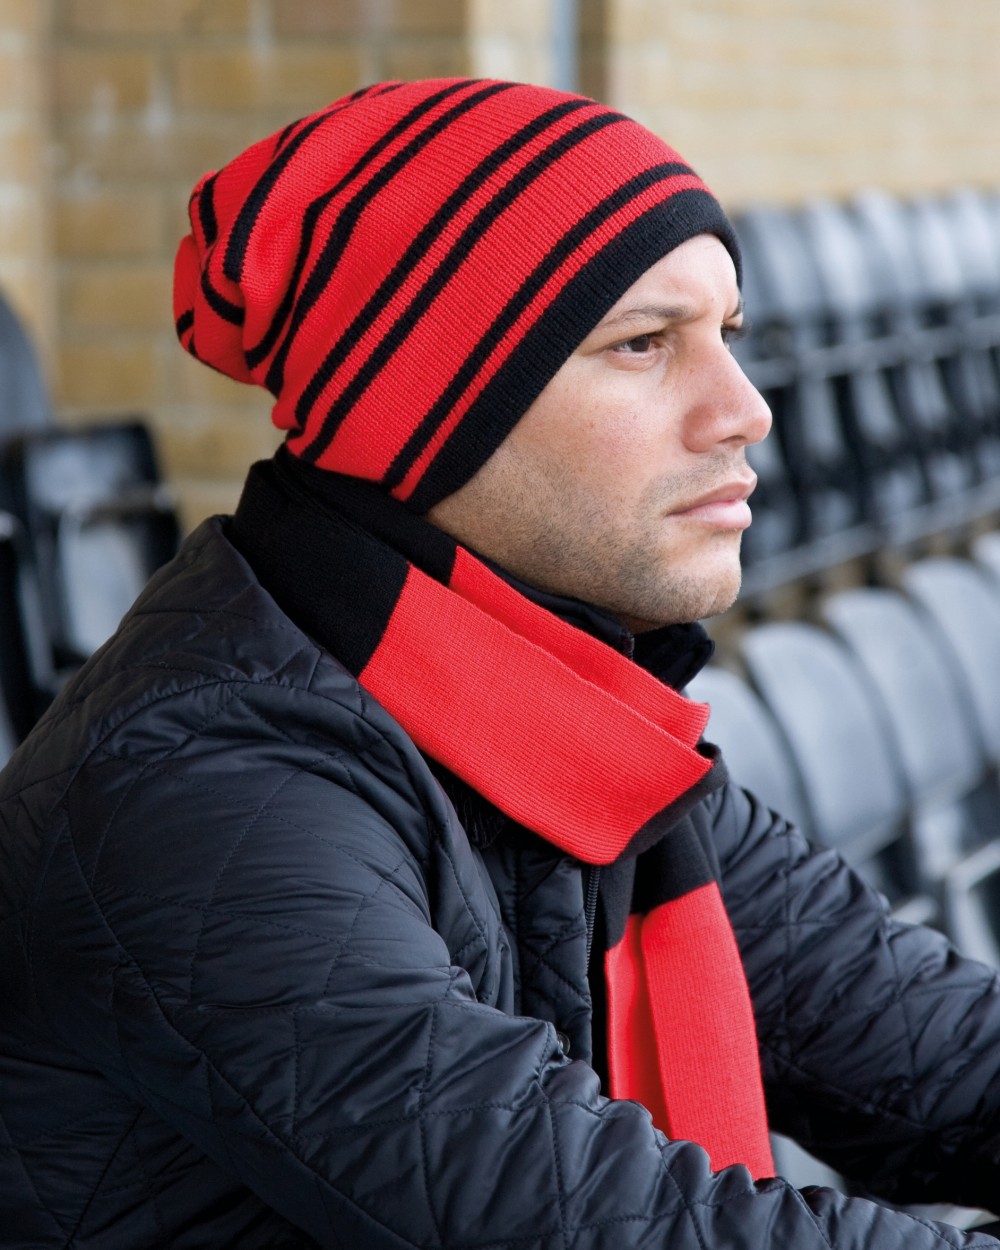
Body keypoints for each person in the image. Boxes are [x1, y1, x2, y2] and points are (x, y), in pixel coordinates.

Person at [2, 77, 1000, 1250]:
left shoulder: (575, 717)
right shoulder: (202, 790)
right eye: (642, 344)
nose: (744, 410)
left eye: (727, 336)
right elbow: (606, 1223)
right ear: (435, 405)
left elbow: (932, 1048)